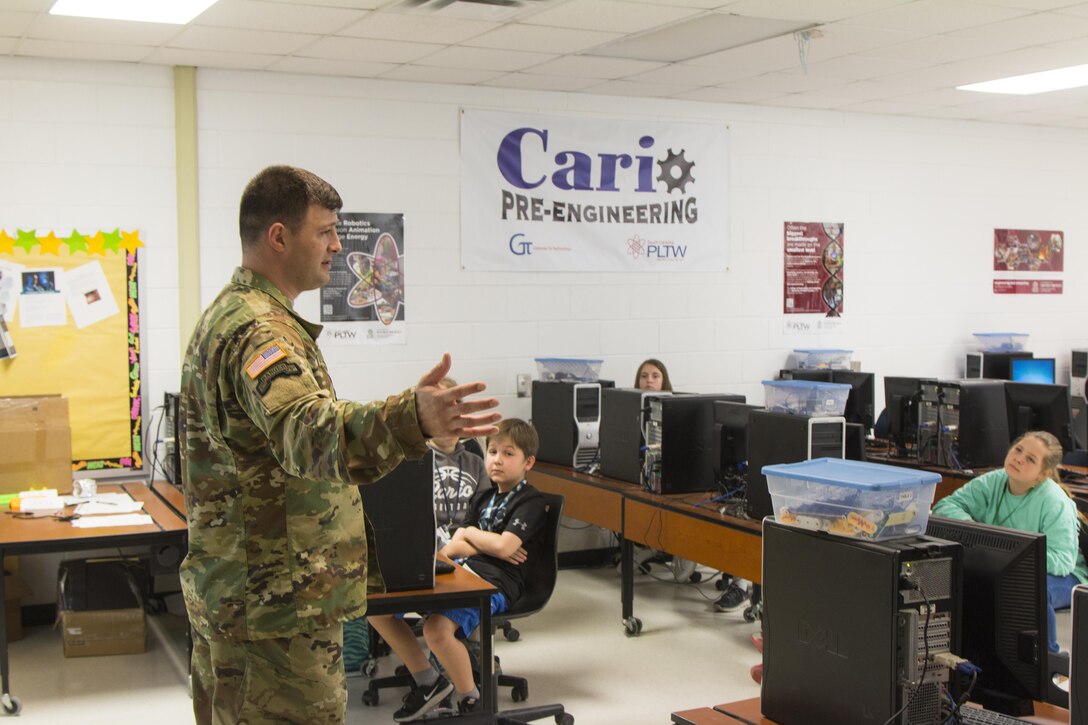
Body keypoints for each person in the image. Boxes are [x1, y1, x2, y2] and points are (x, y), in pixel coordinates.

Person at [179, 164, 500, 725]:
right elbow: (309, 433)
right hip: (274, 611)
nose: (335, 245)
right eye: (324, 231)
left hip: (250, 598)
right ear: (279, 236)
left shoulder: (235, 315)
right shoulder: (260, 330)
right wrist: (411, 418)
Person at [368, 418, 547, 720]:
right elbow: (454, 546)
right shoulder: (484, 498)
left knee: (435, 629)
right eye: (491, 452)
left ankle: (471, 701)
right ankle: (427, 682)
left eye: (508, 453)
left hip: (496, 583)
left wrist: (471, 536)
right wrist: (481, 540)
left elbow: (502, 549)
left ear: (528, 461)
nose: (496, 460)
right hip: (463, 572)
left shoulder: (531, 501)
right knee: (376, 608)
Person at [932, 431, 1088, 653]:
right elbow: (945, 507)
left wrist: (1013, 556)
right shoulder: (995, 480)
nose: (1019, 458)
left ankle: (1048, 657)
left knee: (1031, 588)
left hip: (1067, 576)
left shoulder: (1055, 502)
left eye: (1030, 459)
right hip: (1004, 566)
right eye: (1018, 449)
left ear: (1042, 474)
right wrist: (976, 530)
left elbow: (1063, 561)